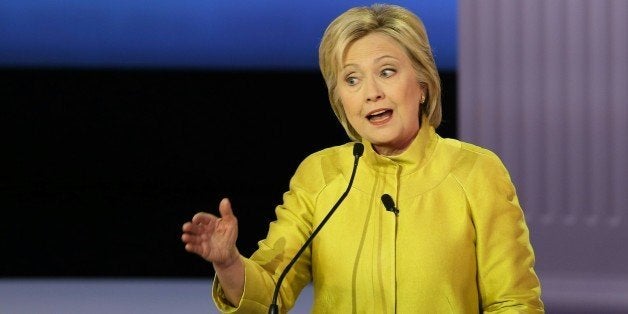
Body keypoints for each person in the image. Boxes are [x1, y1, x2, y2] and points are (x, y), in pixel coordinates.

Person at [181, 3, 544, 313]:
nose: (371, 92)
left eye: (386, 72)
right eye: (352, 79)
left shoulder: (476, 172)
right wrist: (228, 263)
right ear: (340, 99)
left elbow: (513, 302)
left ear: (421, 84)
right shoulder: (320, 175)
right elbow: (271, 291)